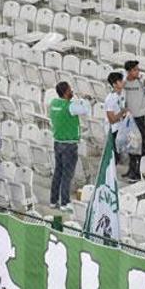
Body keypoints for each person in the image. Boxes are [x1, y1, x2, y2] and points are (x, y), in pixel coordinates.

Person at [49, 81, 90, 211]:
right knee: (67, 174)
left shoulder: (54, 104)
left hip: (57, 142)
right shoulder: (70, 106)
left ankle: (53, 200)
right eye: (70, 90)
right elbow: (86, 109)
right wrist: (84, 99)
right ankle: (65, 202)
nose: (72, 91)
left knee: (58, 173)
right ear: (66, 92)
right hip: (69, 145)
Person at [123, 60, 145, 182]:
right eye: (135, 70)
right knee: (130, 145)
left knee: (140, 146)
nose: (138, 72)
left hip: (139, 117)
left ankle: (140, 171)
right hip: (128, 118)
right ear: (129, 71)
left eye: (138, 69)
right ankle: (131, 169)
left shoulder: (142, 82)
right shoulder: (124, 83)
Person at [104, 72, 127, 163]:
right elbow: (112, 120)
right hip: (113, 130)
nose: (123, 82)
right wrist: (123, 112)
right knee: (114, 157)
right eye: (120, 81)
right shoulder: (110, 99)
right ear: (114, 84)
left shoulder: (120, 95)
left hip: (120, 127)